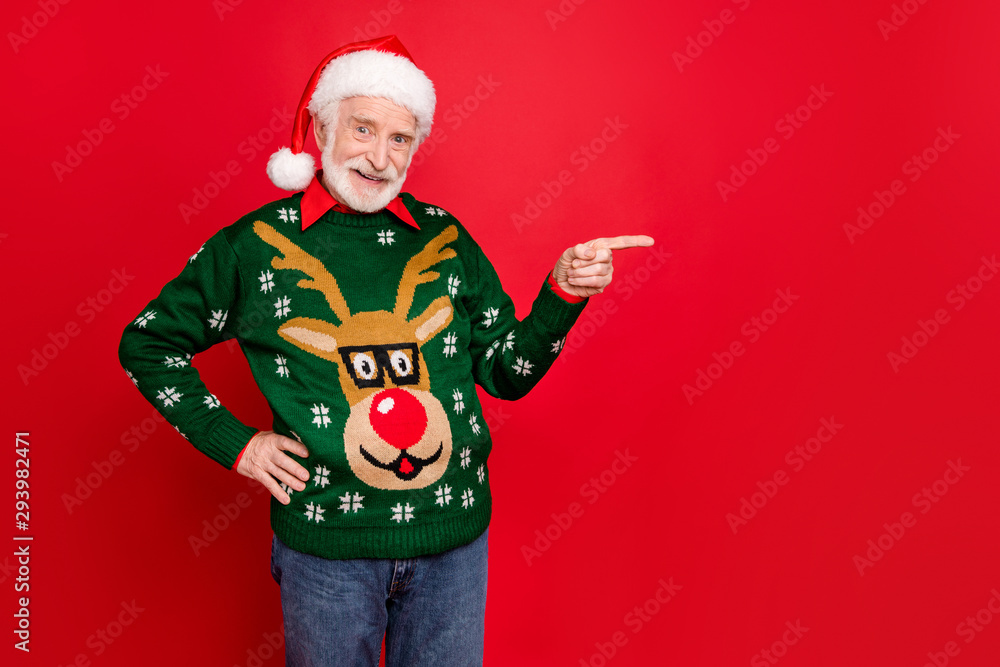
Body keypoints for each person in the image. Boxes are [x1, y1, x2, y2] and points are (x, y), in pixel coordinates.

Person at [117, 35, 654, 666]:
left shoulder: (444, 238)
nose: (379, 156)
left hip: (452, 543)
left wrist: (563, 291)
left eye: (399, 138)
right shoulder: (253, 247)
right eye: (363, 129)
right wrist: (239, 444)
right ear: (322, 128)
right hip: (328, 549)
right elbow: (147, 343)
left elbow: (507, 372)